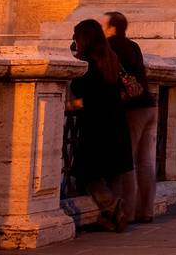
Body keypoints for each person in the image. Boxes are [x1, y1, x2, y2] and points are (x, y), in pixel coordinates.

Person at [66, 19, 133, 232]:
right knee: (114, 172)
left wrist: (70, 104)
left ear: (82, 38)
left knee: (88, 174)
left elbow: (89, 99)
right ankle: (112, 218)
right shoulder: (112, 59)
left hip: (96, 126)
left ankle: (112, 205)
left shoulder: (86, 64)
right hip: (117, 122)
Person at [102, 12, 156, 224]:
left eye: (102, 24)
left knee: (126, 161)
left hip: (131, 108)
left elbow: (108, 78)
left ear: (111, 27)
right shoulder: (133, 46)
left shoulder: (110, 48)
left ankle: (128, 211)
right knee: (146, 162)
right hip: (149, 105)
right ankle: (147, 210)